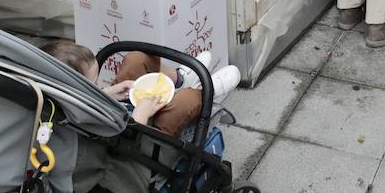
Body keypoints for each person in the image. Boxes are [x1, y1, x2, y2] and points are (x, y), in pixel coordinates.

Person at [40, 40, 239, 138]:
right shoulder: (72, 127)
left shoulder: (68, 100)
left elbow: (89, 96)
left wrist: (108, 92)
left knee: (138, 58)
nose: (98, 85)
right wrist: (140, 117)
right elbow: (122, 143)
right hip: (138, 139)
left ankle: (180, 79)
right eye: (93, 84)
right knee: (187, 100)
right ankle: (206, 91)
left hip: (120, 114)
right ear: (73, 89)